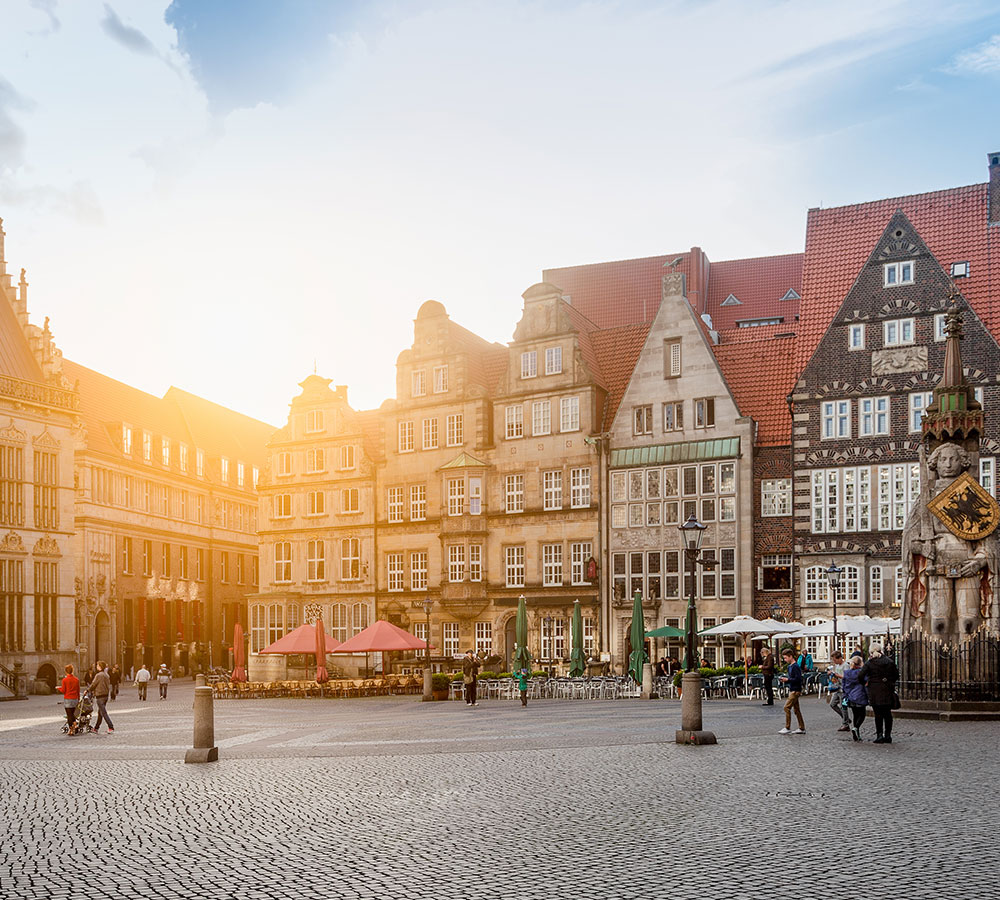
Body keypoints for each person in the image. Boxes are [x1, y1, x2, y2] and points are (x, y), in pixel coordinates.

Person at [860, 643, 899, 743]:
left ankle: (879, 735)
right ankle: (888, 735)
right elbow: (896, 675)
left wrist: (866, 683)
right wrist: (889, 682)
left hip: (874, 690)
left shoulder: (870, 663)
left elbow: (860, 676)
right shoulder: (889, 661)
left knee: (878, 714)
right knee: (887, 714)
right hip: (887, 689)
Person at [779, 649, 805, 734]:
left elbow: (798, 679)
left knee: (786, 707)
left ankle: (787, 727)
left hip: (795, 690)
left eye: (786, 658)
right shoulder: (790, 666)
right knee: (796, 710)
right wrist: (786, 680)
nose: (785, 660)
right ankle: (801, 728)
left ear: (791, 656)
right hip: (793, 689)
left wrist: (788, 680)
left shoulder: (795, 666)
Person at [842, 655, 868, 742]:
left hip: (850, 696)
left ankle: (857, 733)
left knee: (855, 715)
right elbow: (865, 684)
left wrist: (846, 694)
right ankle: (856, 728)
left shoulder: (847, 673)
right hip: (860, 695)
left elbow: (844, 685)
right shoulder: (861, 673)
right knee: (862, 714)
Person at [826, 650, 850, 732]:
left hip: (843, 689)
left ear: (840, 658)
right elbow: (836, 675)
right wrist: (832, 674)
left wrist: (838, 675)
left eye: (835, 660)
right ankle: (846, 719)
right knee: (832, 704)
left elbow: (847, 677)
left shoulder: (845, 665)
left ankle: (845, 724)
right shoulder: (837, 666)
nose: (834, 662)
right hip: (837, 688)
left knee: (843, 706)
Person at [89, 661, 114, 734]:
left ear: (100, 667)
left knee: (103, 712)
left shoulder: (99, 675)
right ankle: (96, 728)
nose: (96, 667)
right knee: (100, 713)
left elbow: (93, 684)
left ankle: (111, 727)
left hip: (100, 696)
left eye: (97, 665)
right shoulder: (106, 675)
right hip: (105, 695)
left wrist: (88, 690)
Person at [57, 664, 80, 733]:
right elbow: (78, 690)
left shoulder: (65, 680)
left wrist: (59, 688)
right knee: (72, 714)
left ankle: (71, 729)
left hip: (68, 699)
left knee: (69, 715)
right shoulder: (76, 680)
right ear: (72, 671)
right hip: (75, 698)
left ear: (66, 671)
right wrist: (78, 698)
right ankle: (75, 725)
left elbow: (63, 691)